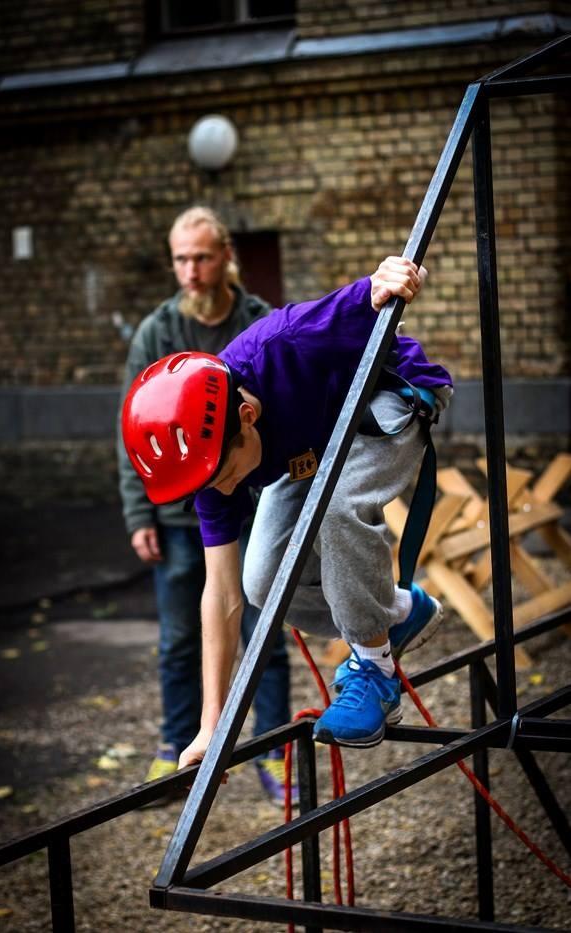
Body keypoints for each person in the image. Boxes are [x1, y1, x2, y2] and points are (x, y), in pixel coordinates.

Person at [121, 255, 452, 771]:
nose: (225, 490)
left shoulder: (286, 341)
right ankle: (400, 614)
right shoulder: (207, 460)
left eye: (226, 475)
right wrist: (213, 726)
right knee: (262, 584)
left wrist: (394, 276)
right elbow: (223, 594)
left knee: (338, 506)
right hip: (314, 441)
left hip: (390, 393)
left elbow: (374, 292)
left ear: (248, 417)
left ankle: (375, 666)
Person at [117, 206, 293, 804]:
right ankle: (176, 750)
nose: (190, 270)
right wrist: (138, 514)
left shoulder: (255, 319)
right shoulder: (155, 332)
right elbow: (132, 428)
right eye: (180, 259)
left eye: (202, 257)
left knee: (264, 628)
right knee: (178, 637)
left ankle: (274, 751)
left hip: (249, 494)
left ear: (225, 258)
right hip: (175, 512)